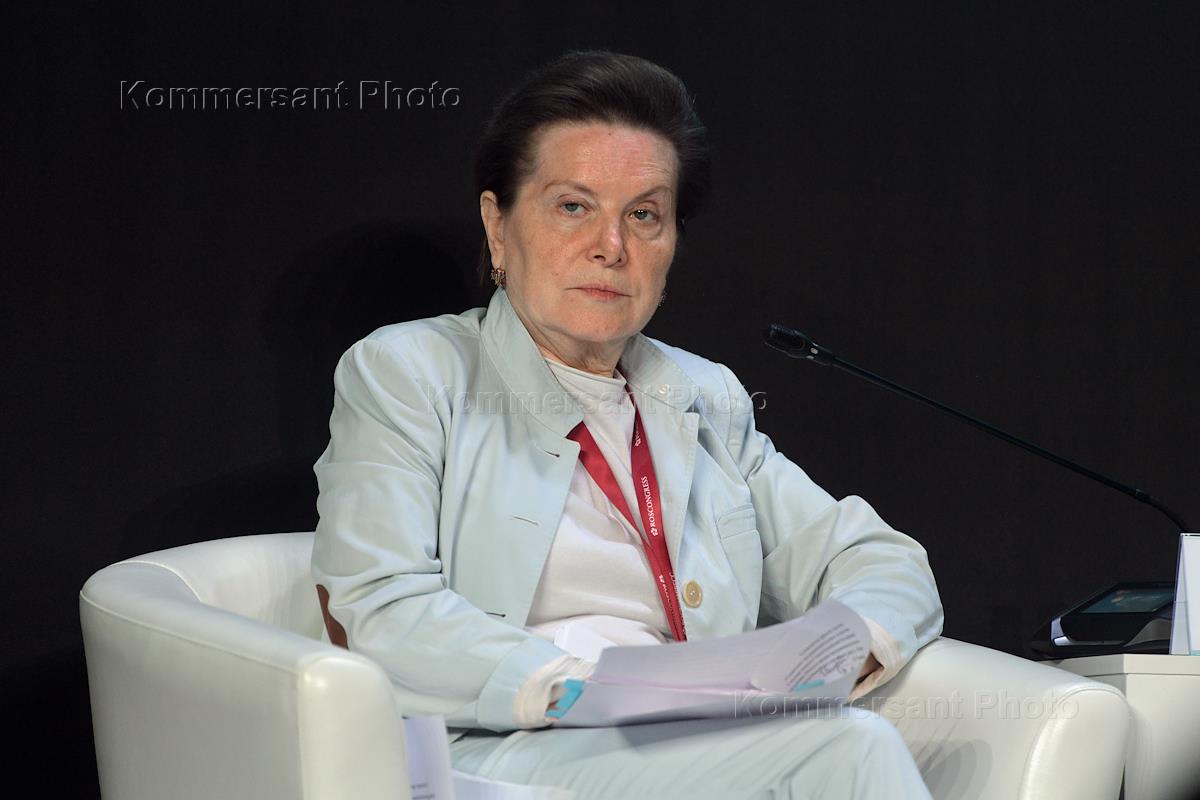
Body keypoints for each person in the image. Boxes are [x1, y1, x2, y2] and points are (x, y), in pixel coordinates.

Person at [312, 50, 943, 798]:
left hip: (697, 737)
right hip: (501, 742)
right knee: (847, 752)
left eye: (643, 215)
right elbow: (380, 609)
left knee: (831, 741)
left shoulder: (703, 396)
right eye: (573, 206)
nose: (611, 247)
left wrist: (837, 655)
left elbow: (878, 560)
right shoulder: (411, 372)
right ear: (497, 226)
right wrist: (581, 688)